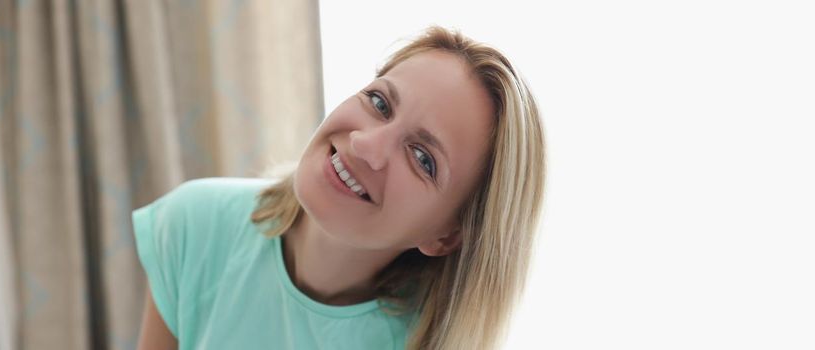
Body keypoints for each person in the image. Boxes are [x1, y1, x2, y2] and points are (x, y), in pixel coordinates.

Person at [133, 25, 545, 350]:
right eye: (380, 103)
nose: (366, 144)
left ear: (446, 235)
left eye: (422, 158)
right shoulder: (194, 225)